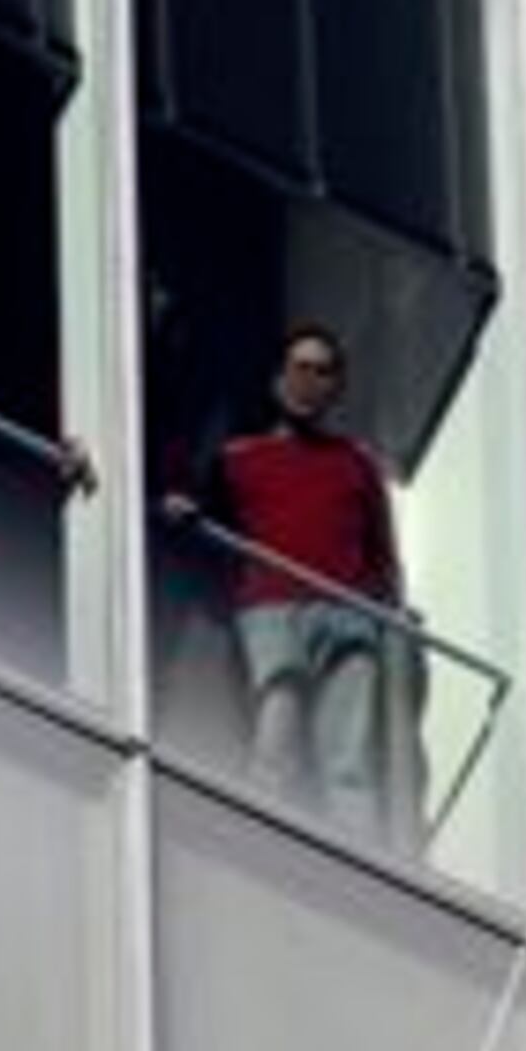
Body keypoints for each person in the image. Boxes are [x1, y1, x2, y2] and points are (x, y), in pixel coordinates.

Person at [179, 325, 403, 841]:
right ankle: (267, 851)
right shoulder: (237, 457)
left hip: (348, 612)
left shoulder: (356, 461)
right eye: (300, 368)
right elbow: (201, 514)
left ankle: (358, 867)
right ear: (278, 378)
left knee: (349, 760)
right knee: (276, 739)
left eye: (323, 371)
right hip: (270, 608)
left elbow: (383, 552)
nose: (309, 381)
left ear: (337, 386)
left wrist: (387, 603)